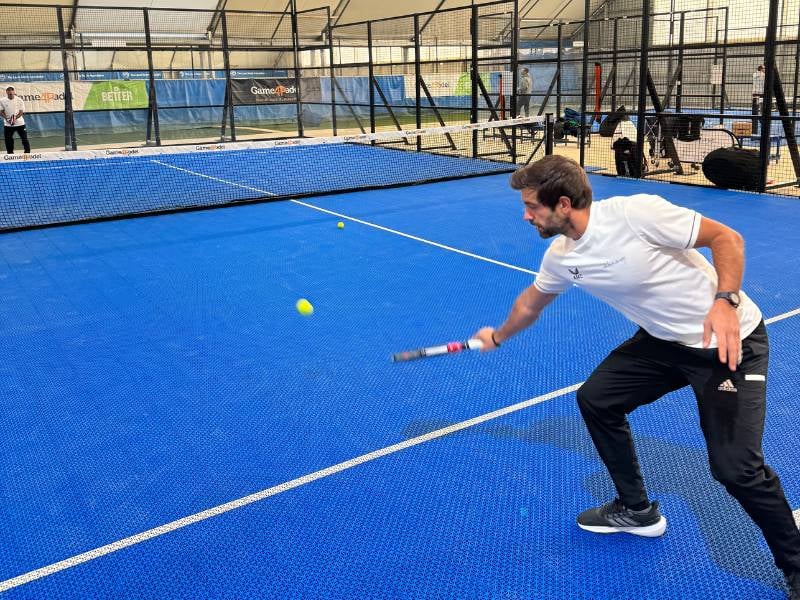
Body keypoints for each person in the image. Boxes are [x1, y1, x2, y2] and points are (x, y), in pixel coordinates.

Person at [472, 155, 800, 600]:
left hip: (729, 342)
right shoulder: (562, 257)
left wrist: (724, 299)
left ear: (563, 204)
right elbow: (533, 300)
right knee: (597, 399)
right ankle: (636, 509)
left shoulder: (635, 213)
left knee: (735, 468)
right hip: (664, 343)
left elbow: (727, 237)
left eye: (532, 206)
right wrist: (499, 335)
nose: (526, 215)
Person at [0, 86, 30, 154]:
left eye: (11, 91)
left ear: (14, 92)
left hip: (20, 124)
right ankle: (10, 154)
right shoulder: (2, 100)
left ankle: (27, 153)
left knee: (24, 139)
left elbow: (21, 112)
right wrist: (7, 118)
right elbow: (1, 111)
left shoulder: (19, 100)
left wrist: (14, 118)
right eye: (9, 92)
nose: (10, 93)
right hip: (8, 125)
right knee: (8, 140)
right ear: (6, 92)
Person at [752, 65, 765, 135]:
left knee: (755, 110)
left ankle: (755, 126)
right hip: (761, 93)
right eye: (764, 68)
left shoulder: (754, 74)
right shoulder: (764, 75)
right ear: (761, 69)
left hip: (754, 93)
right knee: (762, 109)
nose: (764, 70)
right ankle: (762, 121)